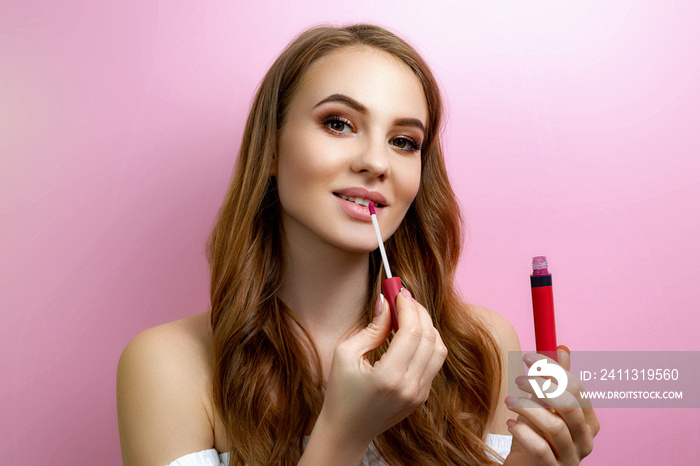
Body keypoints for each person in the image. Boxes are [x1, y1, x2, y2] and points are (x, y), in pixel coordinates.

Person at [117, 24, 599, 466]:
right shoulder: (168, 366)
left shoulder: (484, 347)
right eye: (339, 123)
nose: (376, 162)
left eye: (404, 141)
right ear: (270, 148)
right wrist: (343, 434)